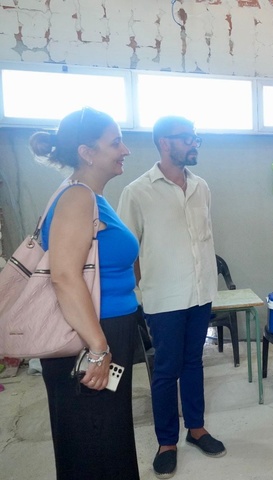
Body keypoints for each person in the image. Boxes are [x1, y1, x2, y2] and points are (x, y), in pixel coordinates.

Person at [30, 107, 140, 479]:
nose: (125, 150)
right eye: (115, 142)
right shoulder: (78, 197)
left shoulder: (92, 197)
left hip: (103, 331)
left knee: (107, 435)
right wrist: (98, 347)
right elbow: (63, 276)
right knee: (93, 440)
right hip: (89, 336)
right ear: (86, 152)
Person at [117, 116, 224, 479]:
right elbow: (126, 249)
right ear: (165, 143)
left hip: (201, 292)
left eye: (196, 137)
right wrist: (140, 290)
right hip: (163, 297)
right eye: (187, 138)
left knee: (194, 362)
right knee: (165, 370)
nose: (194, 143)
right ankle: (166, 442)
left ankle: (196, 429)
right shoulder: (137, 191)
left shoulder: (201, 186)